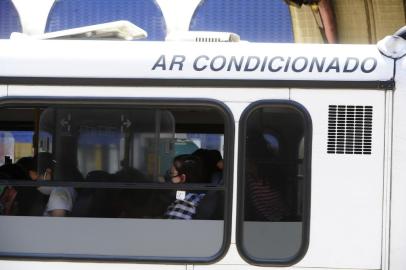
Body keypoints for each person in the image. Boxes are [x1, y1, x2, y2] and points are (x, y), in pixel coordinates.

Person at [35, 153, 77, 217]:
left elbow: (57, 224)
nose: (36, 180)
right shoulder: (60, 190)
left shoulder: (59, 195)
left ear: (48, 172)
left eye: (37, 176)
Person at [165, 155, 206, 220]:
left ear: (183, 178)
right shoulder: (199, 196)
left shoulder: (183, 206)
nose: (169, 177)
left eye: (171, 173)